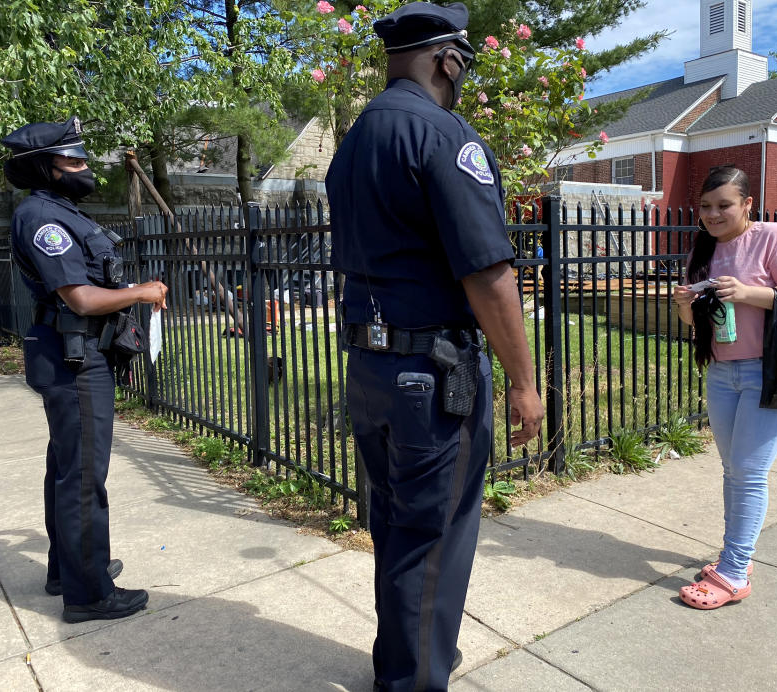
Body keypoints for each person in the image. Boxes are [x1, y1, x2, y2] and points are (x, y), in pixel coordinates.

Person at [325, 2, 544, 689]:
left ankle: (404, 660)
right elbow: (488, 273)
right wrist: (523, 383)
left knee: (396, 530)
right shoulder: (444, 135)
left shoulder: (356, 139)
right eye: (463, 65)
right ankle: (413, 680)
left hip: (370, 368)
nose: (463, 78)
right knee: (433, 542)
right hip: (431, 373)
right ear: (446, 59)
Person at [1, 116, 168, 623]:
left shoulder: (57, 210)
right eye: (73, 159)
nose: (85, 166)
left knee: (67, 468)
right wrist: (143, 292)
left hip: (76, 355)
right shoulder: (42, 218)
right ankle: (89, 592)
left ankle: (68, 569)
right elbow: (79, 296)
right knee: (83, 477)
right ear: (45, 167)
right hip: (74, 360)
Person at [672, 166, 777, 609]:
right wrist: (683, 307)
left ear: (747, 203)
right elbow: (699, 324)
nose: (713, 215)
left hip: (767, 370)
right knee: (733, 470)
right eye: (706, 206)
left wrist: (748, 292)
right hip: (722, 372)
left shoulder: (775, 237)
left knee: (749, 473)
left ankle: (734, 571)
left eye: (724, 205)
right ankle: (737, 556)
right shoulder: (704, 249)